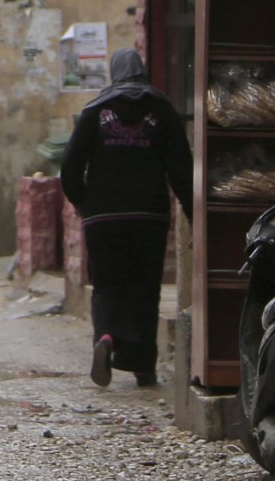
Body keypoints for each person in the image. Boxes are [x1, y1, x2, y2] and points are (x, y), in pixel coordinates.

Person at [59, 47, 192, 389]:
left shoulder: (94, 111)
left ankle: (106, 337)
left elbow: (70, 166)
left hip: (103, 216)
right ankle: (142, 367)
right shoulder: (162, 109)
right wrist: (195, 215)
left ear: (114, 73)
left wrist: (83, 202)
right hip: (149, 215)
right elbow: (181, 169)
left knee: (107, 284)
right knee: (144, 288)